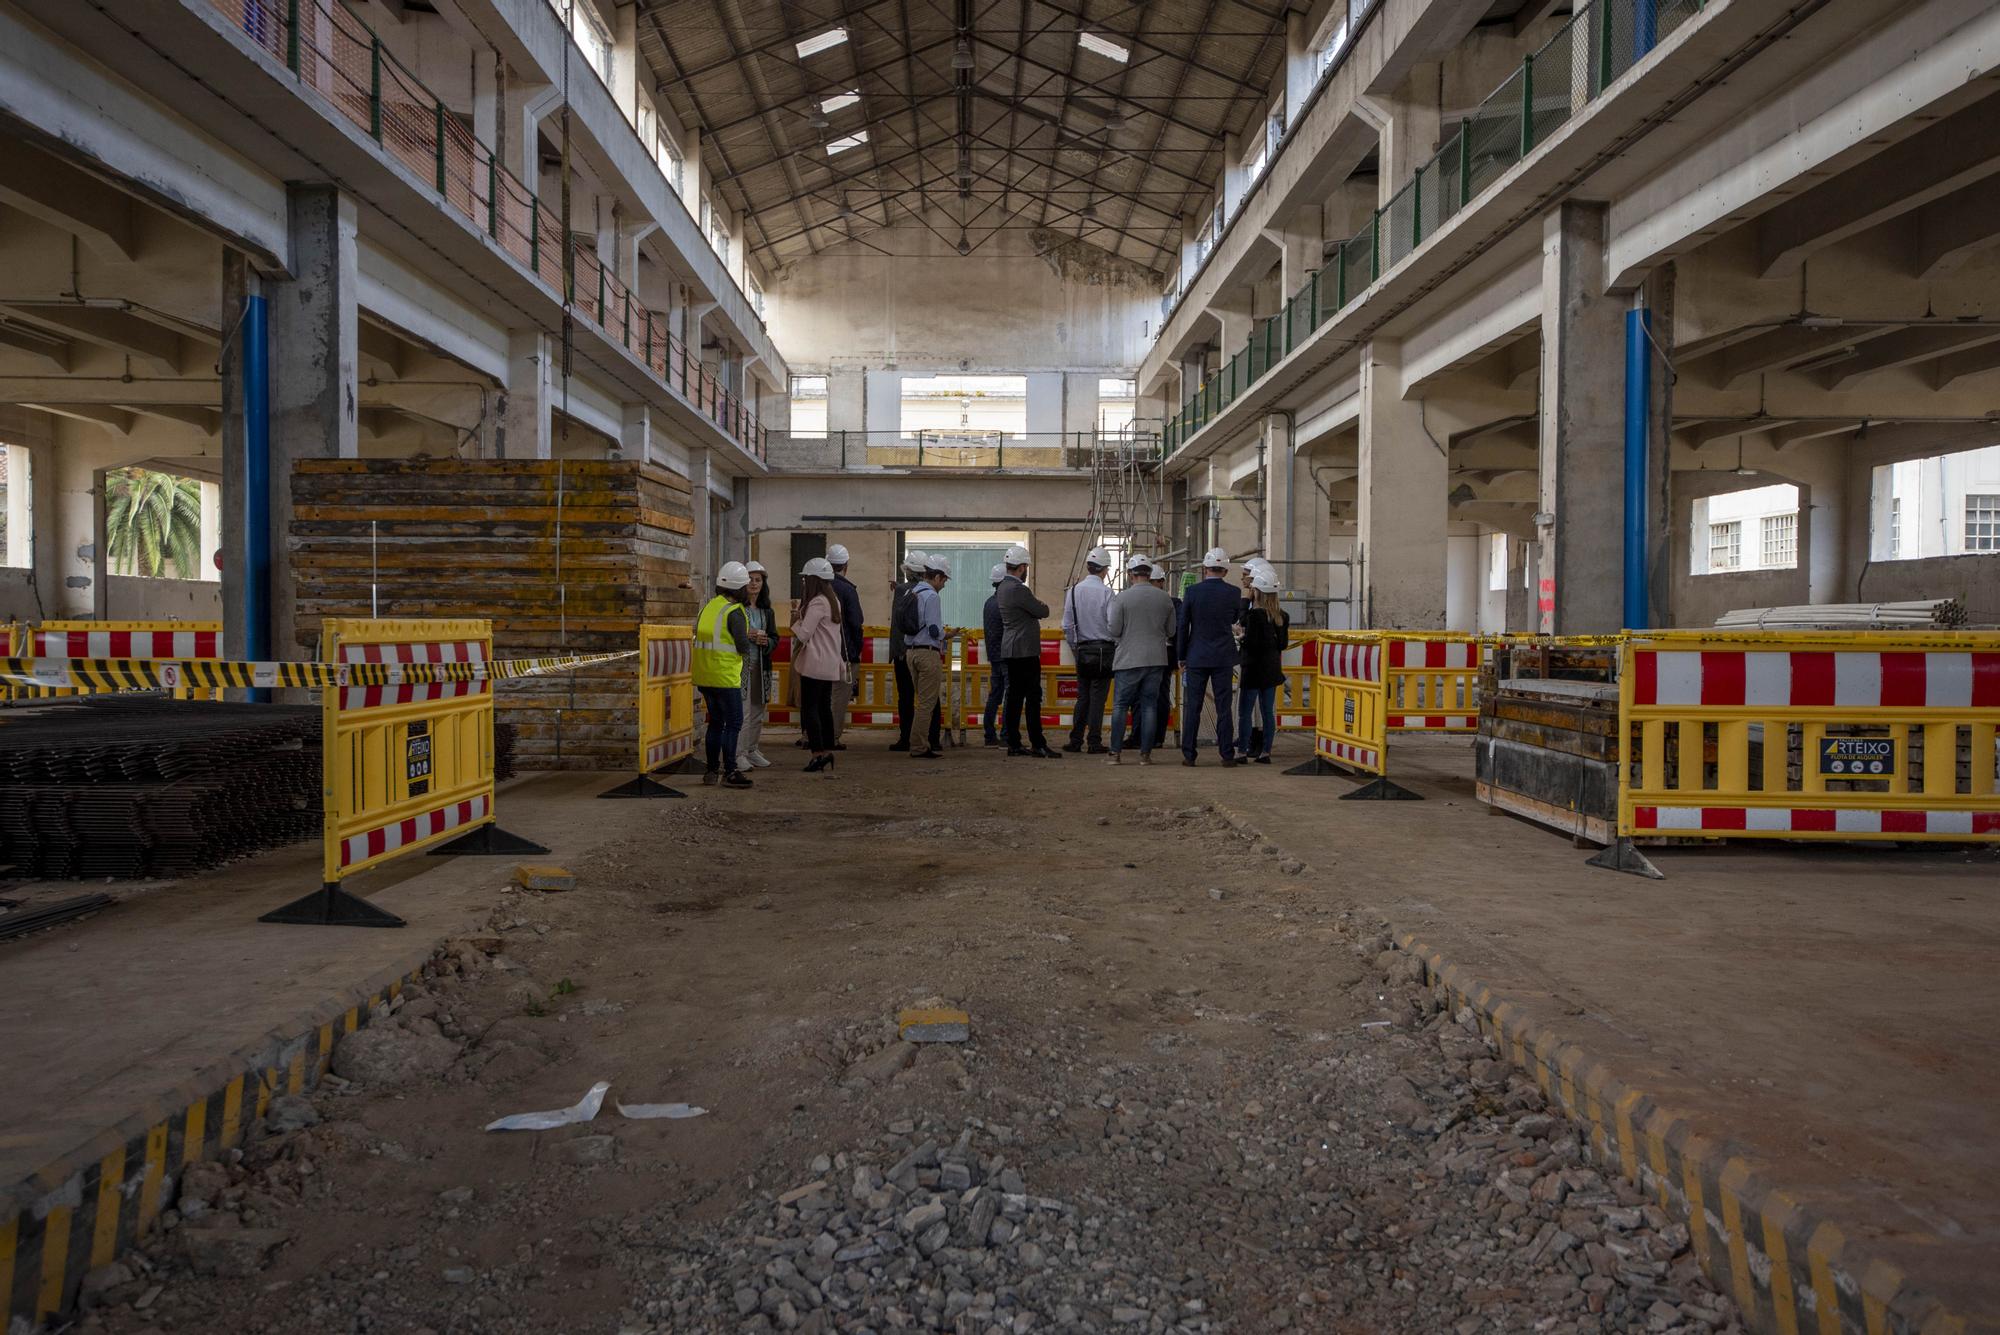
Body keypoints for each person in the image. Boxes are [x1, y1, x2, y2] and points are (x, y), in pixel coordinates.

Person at [1105, 552, 1176, 765]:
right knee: (1149, 707)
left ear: (1130, 574)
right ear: (1149, 573)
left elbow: (1114, 629)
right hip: (1156, 659)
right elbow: (1171, 631)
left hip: (1128, 659)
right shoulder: (1165, 598)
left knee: (1120, 706)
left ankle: (1115, 753)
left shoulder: (1122, 598)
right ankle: (1145, 755)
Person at [1177, 546, 1243, 767]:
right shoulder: (1234, 593)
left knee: (1193, 707)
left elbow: (1183, 624)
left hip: (1196, 656)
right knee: (1224, 707)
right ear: (1225, 571)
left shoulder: (1193, 592)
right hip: (1223, 657)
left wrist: (1181, 655)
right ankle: (1226, 754)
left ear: (1205, 569)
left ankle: (1189, 754)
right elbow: (1234, 618)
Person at [692, 561, 755, 789]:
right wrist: (750, 641)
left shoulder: (708, 607)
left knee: (716, 722)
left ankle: (710, 771)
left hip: (704, 675)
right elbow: (741, 645)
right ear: (740, 588)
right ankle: (730, 770)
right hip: (725, 677)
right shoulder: (735, 612)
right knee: (734, 722)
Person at [996, 544, 1060, 759]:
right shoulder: (1019, 590)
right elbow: (1042, 610)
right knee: (1033, 697)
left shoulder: (1003, 587)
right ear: (1022, 567)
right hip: (1025, 650)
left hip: (1010, 648)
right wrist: (1038, 604)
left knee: (1014, 697)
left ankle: (1014, 742)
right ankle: (1037, 744)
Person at [790, 557, 845, 775]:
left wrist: (795, 620)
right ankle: (826, 750)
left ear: (814, 580)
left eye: (805, 579)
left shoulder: (817, 602)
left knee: (810, 709)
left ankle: (817, 754)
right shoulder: (833, 601)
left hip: (815, 663)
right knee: (823, 708)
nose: (803, 583)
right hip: (829, 663)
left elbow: (804, 634)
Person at [1061, 546, 1116, 754]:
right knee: (1098, 699)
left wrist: (1076, 647)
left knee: (1082, 697)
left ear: (1088, 567)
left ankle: (1075, 740)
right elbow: (1113, 624)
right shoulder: (1107, 593)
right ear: (1104, 569)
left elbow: (1067, 625)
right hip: (1104, 651)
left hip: (1083, 650)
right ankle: (1094, 742)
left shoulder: (1074, 591)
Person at [1235, 570, 1291, 764]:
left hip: (1252, 669)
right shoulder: (1282, 616)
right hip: (1272, 669)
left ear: (1257, 592)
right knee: (1268, 712)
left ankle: (1242, 751)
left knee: (1245, 712)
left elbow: (1250, 641)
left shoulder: (1253, 616)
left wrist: (1241, 638)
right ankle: (1266, 752)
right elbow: (1283, 644)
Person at [906, 553, 951, 759]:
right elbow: (934, 630)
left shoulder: (914, 591)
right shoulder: (932, 596)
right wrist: (947, 634)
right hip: (927, 653)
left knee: (921, 701)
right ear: (938, 576)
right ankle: (919, 746)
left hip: (911, 652)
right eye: (944, 580)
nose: (944, 585)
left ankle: (918, 743)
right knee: (927, 703)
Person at [736, 560, 776, 770]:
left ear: (763, 583)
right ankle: (739, 753)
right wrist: (746, 635)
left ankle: (752, 749)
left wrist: (767, 642)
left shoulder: (766, 611)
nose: (754, 584)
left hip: (762, 666)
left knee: (758, 710)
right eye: (750, 580)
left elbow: (775, 637)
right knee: (743, 712)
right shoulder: (737, 608)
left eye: (758, 580)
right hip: (741, 665)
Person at [888, 549, 928, 751]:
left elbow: (897, 626)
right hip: (924, 651)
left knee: (905, 697)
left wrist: (896, 651)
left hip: (904, 652)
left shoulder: (900, 591)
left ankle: (905, 738)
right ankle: (926, 738)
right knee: (926, 697)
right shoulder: (929, 591)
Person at [828, 544, 864, 749]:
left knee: (820, 697)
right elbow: (856, 622)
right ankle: (831, 737)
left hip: (820, 653)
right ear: (846, 566)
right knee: (839, 699)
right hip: (844, 653)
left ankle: (810, 736)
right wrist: (855, 651)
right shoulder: (848, 590)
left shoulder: (817, 586)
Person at [980, 563, 1008, 746]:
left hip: (994, 655)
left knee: (995, 695)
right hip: (1006, 656)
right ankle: (1006, 735)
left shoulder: (989, 602)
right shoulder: (1004, 603)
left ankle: (989, 734)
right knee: (1009, 696)